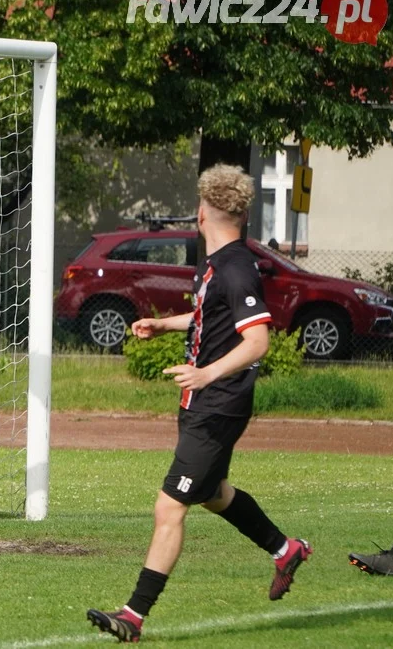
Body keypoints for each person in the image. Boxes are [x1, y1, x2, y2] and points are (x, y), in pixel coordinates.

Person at [87, 164, 312, 643]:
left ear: (200, 213)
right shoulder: (220, 262)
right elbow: (212, 314)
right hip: (205, 399)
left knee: (170, 507)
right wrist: (165, 324)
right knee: (211, 493)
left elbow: (258, 341)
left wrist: (207, 372)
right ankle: (284, 549)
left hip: (219, 403)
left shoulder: (235, 267)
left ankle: (133, 615)